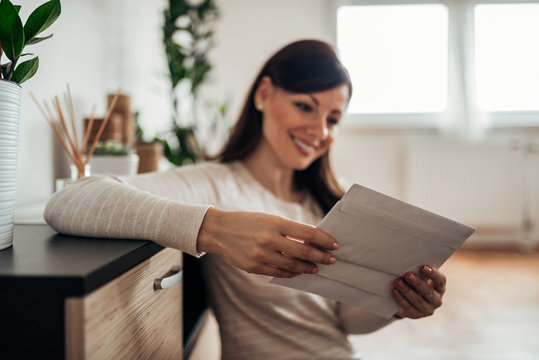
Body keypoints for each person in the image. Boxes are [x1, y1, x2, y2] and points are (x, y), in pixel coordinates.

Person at [45, 39, 446, 359]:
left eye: (333, 119)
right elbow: (70, 201)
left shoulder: (326, 200)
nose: (319, 130)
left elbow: (342, 320)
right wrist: (212, 229)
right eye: (305, 106)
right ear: (264, 94)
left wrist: (395, 303)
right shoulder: (215, 184)